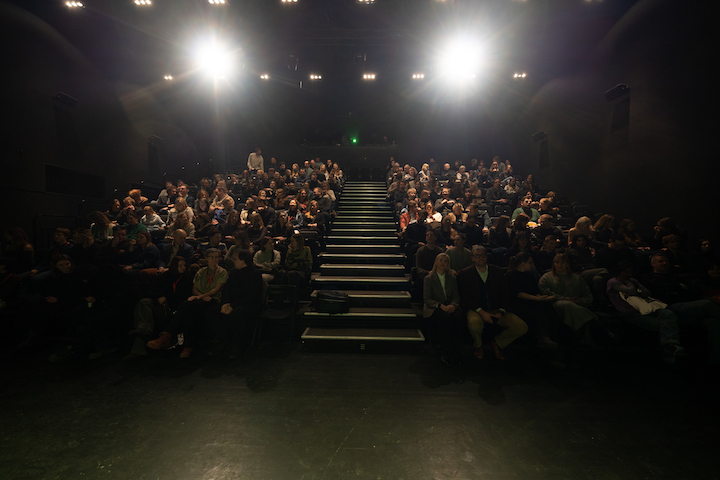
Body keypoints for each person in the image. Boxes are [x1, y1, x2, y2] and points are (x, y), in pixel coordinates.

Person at [146, 248, 228, 358]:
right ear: (206, 258)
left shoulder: (222, 271)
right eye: (211, 257)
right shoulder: (201, 271)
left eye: (216, 257)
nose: (214, 259)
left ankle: (167, 335)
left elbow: (216, 290)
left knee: (185, 305)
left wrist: (200, 296)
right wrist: (201, 296)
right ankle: (188, 346)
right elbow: (194, 289)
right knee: (189, 315)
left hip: (213, 300)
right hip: (200, 299)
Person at [607, 262, 686, 363]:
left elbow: (647, 292)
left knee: (667, 314)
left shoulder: (632, 280)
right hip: (630, 312)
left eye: (631, 272)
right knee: (664, 324)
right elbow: (632, 290)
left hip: (647, 307)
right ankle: (669, 352)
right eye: (626, 272)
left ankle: (671, 348)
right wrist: (632, 287)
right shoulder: (613, 282)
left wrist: (637, 292)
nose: (629, 274)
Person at [457, 245, 528, 360]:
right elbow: (465, 297)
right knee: (474, 324)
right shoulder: (466, 273)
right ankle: (478, 345)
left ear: (486, 256)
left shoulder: (497, 271)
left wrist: (501, 311)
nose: (480, 258)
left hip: (497, 308)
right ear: (472, 258)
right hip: (476, 309)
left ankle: (497, 343)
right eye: (477, 256)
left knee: (521, 327)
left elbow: (505, 293)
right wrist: (481, 312)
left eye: (483, 255)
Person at [126, 256, 194, 359]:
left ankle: (141, 341)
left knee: (149, 314)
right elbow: (152, 291)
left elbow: (184, 297)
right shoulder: (165, 276)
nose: (183, 267)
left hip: (172, 308)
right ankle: (144, 331)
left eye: (184, 265)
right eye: (180, 265)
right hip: (159, 303)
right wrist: (160, 296)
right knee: (144, 303)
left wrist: (166, 298)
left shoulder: (187, 278)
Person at [209, 248, 265, 358]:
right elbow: (226, 290)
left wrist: (232, 305)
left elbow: (252, 296)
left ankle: (239, 344)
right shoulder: (234, 272)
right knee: (212, 311)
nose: (233, 261)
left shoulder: (254, 274)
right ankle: (223, 340)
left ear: (243, 260)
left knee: (237, 313)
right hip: (233, 303)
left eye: (235, 259)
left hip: (250, 305)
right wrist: (225, 303)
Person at [505, 253, 561, 351]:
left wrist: (541, 297)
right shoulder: (510, 275)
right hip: (518, 303)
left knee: (547, 307)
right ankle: (542, 338)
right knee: (535, 311)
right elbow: (517, 293)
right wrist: (536, 298)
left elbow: (534, 290)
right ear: (523, 263)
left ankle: (546, 337)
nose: (532, 265)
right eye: (530, 263)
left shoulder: (529, 275)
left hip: (531, 300)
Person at [539, 254, 601, 342]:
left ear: (567, 264)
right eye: (557, 262)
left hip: (576, 305)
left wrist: (579, 301)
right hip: (556, 305)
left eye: (563, 262)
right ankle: (594, 323)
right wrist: (564, 298)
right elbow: (545, 292)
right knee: (567, 305)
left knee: (571, 307)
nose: (559, 265)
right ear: (553, 264)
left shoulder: (576, 278)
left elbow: (588, 296)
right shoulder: (546, 277)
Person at [423, 253, 464, 366]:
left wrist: (453, 305)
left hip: (449, 305)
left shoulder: (452, 278)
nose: (443, 263)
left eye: (445, 261)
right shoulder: (429, 278)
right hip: (435, 307)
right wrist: (440, 305)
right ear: (436, 262)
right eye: (441, 260)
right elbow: (427, 299)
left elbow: (456, 296)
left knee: (459, 317)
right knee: (445, 319)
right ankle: (445, 351)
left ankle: (457, 349)